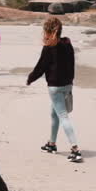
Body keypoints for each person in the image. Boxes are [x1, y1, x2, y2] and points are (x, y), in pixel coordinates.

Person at [26, 16, 81, 162]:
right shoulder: (68, 44)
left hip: (55, 87)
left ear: (46, 31)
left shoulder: (49, 47)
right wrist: (70, 81)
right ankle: (52, 144)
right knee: (54, 114)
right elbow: (72, 63)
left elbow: (41, 67)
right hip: (67, 84)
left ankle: (75, 149)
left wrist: (30, 78)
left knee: (63, 116)